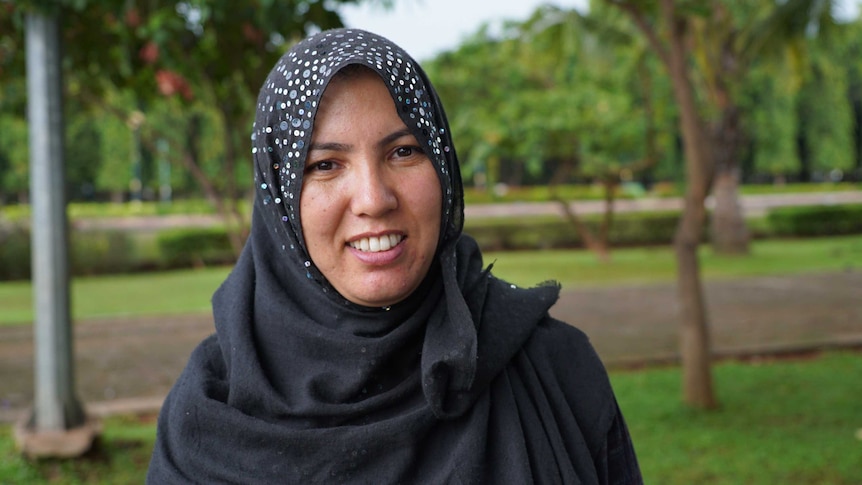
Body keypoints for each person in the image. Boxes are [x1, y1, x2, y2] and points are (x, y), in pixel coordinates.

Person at [147, 28, 642, 484]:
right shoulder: (210, 416)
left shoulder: (552, 368)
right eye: (324, 164)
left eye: (403, 151)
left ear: (442, 165)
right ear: (279, 200)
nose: (374, 198)